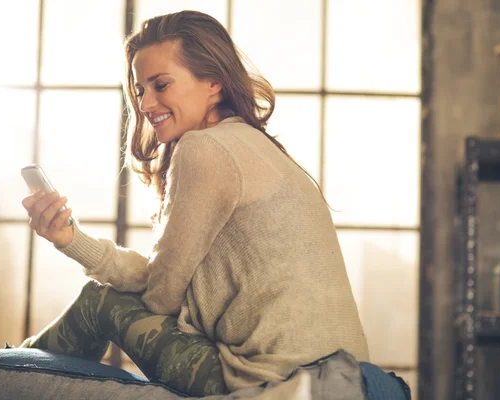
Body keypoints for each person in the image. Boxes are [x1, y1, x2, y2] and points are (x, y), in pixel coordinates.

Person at [19, 10, 370, 397]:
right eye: (139, 90)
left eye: (161, 85)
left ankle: (3, 376)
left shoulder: (204, 148)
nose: (146, 104)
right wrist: (72, 240)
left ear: (214, 83)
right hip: (346, 376)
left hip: (270, 382)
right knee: (106, 296)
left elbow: (161, 294)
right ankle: (12, 367)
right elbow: (161, 278)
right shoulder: (256, 146)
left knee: (98, 300)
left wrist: (79, 247)